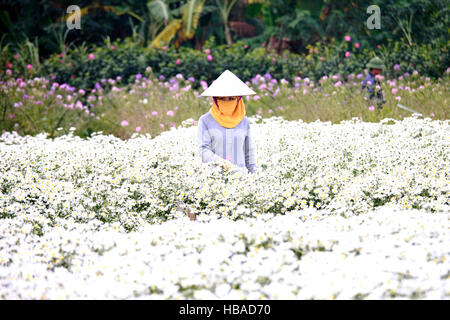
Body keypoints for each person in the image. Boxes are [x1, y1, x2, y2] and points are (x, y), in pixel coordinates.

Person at [197, 69, 257, 174]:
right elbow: (203, 150)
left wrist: (254, 176)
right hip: (215, 177)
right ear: (215, 99)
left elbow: (249, 153)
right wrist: (217, 161)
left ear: (238, 99)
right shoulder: (205, 120)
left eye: (231, 98)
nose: (226, 102)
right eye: (222, 99)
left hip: (241, 179)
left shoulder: (244, 122)